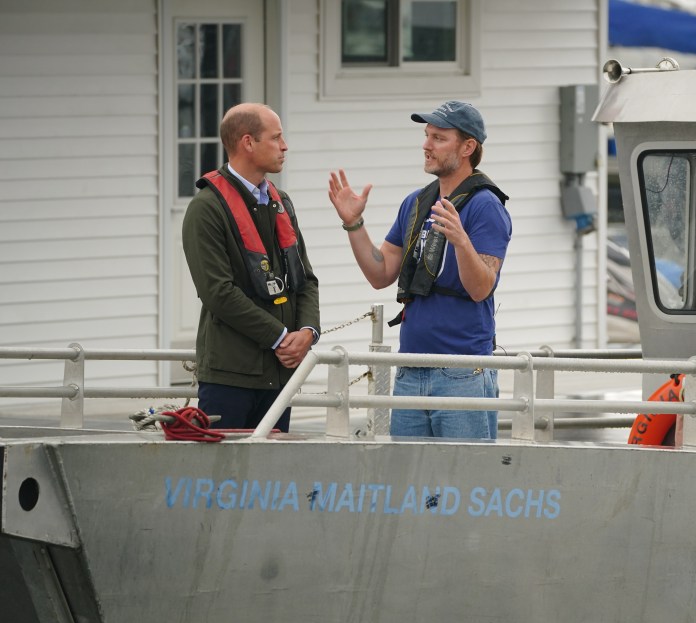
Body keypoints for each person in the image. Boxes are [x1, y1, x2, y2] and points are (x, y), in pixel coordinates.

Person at [328, 100, 512, 440]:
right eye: (427, 136)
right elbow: (380, 274)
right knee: (412, 485)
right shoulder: (416, 202)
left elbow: (481, 288)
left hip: (462, 373)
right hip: (410, 369)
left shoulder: (486, 206)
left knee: (465, 484)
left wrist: (460, 242)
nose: (426, 145)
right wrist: (354, 224)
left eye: (439, 138)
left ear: (468, 147)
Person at [182, 103, 320, 432]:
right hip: (230, 377)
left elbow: (306, 280)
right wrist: (281, 337)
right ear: (248, 142)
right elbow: (218, 293)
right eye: (276, 138)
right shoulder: (207, 208)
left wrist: (307, 333)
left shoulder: (281, 202)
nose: (284, 146)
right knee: (223, 481)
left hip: (279, 375)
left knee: (271, 481)